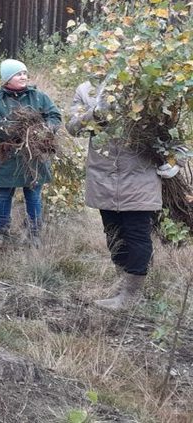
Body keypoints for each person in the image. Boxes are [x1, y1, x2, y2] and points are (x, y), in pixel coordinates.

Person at [67, 81, 172, 310]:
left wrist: (175, 160)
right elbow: (73, 127)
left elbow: (173, 132)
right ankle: (124, 285)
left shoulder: (146, 84)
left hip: (139, 175)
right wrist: (94, 113)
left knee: (136, 233)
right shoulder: (86, 89)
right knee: (114, 232)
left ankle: (131, 295)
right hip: (103, 176)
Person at [0, 59, 61, 247]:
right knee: (5, 194)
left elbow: (54, 116)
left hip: (34, 155)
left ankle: (34, 234)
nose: (24, 77)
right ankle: (2, 233)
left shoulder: (38, 97)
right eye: (18, 74)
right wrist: (23, 129)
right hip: (7, 156)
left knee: (33, 195)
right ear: (7, 78)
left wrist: (45, 130)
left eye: (25, 73)